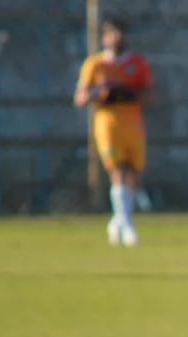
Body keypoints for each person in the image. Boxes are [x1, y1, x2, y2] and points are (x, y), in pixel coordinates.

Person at [74, 18, 153, 247]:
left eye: (119, 33)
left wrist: (128, 93)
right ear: (104, 38)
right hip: (108, 124)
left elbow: (149, 94)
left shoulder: (137, 63)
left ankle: (117, 221)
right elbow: (80, 97)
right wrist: (99, 94)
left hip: (133, 123)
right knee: (118, 171)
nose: (116, 38)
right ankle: (127, 224)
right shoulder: (95, 65)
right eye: (111, 34)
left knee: (133, 174)